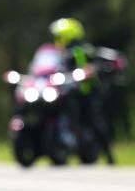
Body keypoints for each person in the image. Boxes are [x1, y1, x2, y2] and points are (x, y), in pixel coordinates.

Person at [49, 17, 118, 165]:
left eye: (59, 36)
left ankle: (109, 154)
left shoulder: (82, 49)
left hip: (85, 93)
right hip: (67, 92)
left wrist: (90, 70)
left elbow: (92, 64)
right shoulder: (60, 53)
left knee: (94, 121)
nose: (57, 40)